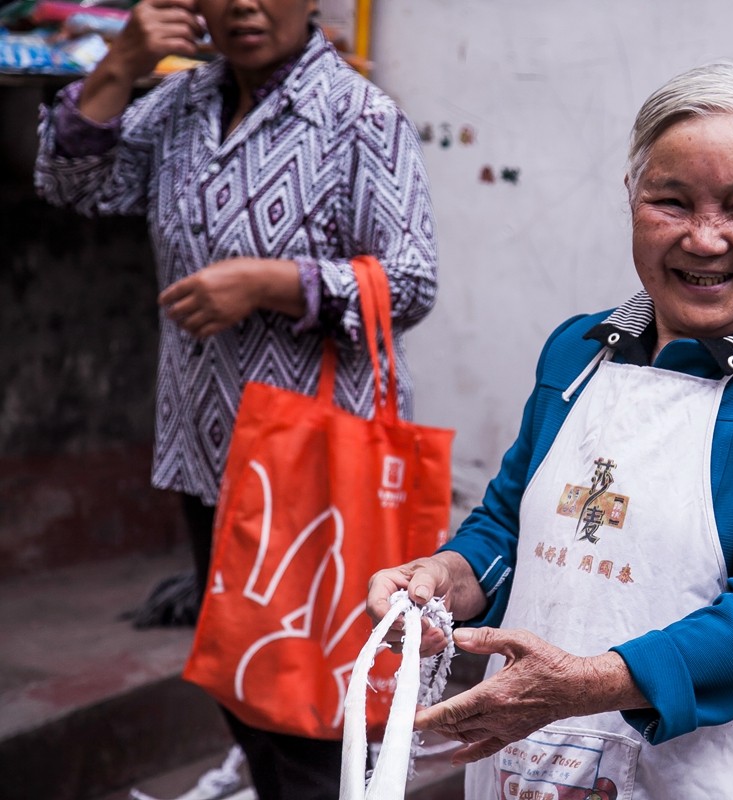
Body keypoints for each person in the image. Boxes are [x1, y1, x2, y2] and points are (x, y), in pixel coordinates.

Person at [367, 59, 733, 799]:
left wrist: (582, 685)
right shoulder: (577, 353)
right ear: (632, 199)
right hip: (529, 759)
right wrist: (446, 580)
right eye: (671, 201)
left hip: (714, 775)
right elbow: (510, 527)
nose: (705, 240)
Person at [34, 1, 437, 798]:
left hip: (311, 464)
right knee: (241, 680)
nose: (244, 3)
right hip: (205, 447)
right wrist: (119, 64)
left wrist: (270, 283)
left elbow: (412, 280)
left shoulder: (357, 114)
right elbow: (72, 184)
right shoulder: (182, 103)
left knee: (307, 710)